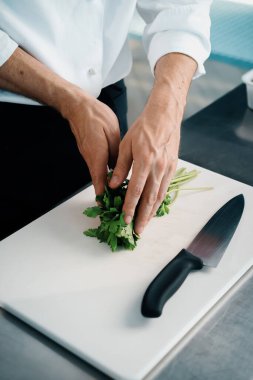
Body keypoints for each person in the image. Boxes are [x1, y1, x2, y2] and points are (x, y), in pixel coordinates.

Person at [0, 1, 212, 239]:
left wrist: (169, 106)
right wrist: (70, 101)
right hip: (12, 119)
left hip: (107, 99)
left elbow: (181, 7)